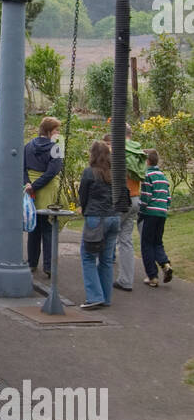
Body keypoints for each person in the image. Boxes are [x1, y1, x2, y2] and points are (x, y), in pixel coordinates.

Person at [78, 140, 120, 309]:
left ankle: (94, 296)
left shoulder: (90, 173)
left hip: (96, 217)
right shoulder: (113, 173)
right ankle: (105, 297)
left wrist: (85, 209)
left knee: (88, 257)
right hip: (114, 217)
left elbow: (83, 195)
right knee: (106, 259)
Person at [23, 116, 63, 277]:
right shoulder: (56, 148)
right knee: (48, 228)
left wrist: (28, 184)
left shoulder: (28, 146)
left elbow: (22, 167)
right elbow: (52, 172)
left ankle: (32, 262)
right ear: (49, 132)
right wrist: (36, 185)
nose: (58, 133)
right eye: (56, 130)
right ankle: (49, 266)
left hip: (30, 191)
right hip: (46, 190)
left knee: (34, 227)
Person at [112, 123, 147, 293]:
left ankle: (100, 277)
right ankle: (126, 280)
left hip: (120, 200)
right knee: (125, 240)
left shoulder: (118, 150)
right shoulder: (137, 150)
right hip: (135, 198)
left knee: (106, 236)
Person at [139, 147, 172, 287]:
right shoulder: (163, 177)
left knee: (146, 244)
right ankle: (165, 264)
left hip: (150, 213)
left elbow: (146, 197)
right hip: (162, 213)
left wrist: (140, 210)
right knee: (157, 242)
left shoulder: (147, 176)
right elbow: (168, 198)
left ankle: (152, 276)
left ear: (146, 161)